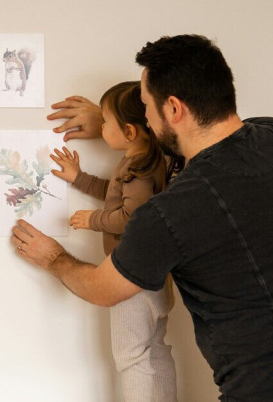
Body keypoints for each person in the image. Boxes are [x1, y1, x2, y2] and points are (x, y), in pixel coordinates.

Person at [11, 34, 273, 400]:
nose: (145, 114)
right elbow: (189, 148)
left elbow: (103, 289)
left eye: (146, 106)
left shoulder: (171, 213)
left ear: (175, 109)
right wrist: (110, 122)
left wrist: (53, 258)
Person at [50, 81, 177, 401]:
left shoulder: (138, 166)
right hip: (157, 278)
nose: (101, 128)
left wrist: (92, 220)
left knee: (131, 356)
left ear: (130, 132)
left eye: (106, 122)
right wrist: (78, 178)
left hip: (132, 278)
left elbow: (131, 215)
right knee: (156, 349)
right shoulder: (145, 162)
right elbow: (115, 194)